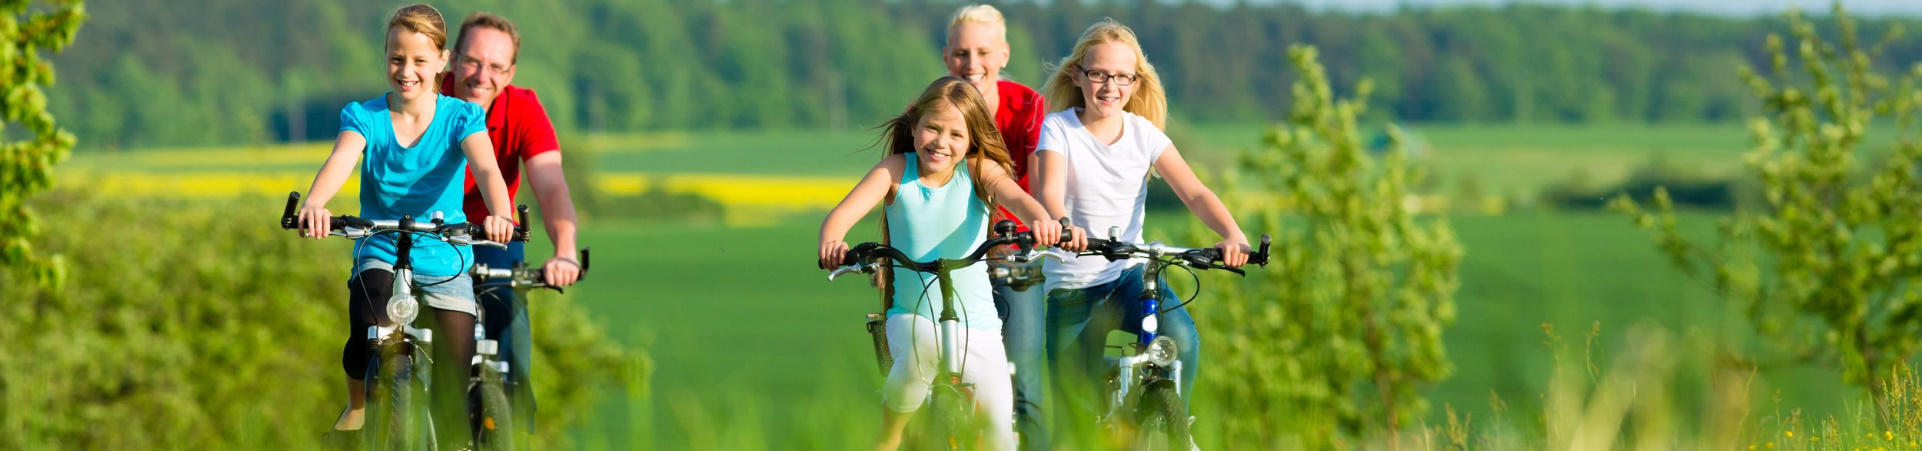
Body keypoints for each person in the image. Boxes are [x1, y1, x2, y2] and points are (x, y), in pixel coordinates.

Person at [293, 4, 516, 435]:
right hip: (381, 246)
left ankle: (455, 440)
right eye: (397, 58)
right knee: (367, 329)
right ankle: (357, 405)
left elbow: (488, 169)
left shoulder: (461, 117)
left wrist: (500, 214)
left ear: (443, 62)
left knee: (456, 366)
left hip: (446, 254)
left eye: (419, 60)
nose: (407, 71)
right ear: (385, 57)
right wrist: (316, 203)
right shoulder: (366, 117)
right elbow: (341, 160)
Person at [1033, 18, 1253, 440]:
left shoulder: (1144, 134)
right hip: (1073, 283)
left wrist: (1233, 234)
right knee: (1074, 419)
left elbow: (1194, 192)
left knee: (1181, 339)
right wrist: (1064, 225)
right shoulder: (1059, 128)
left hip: (1129, 274)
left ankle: (1173, 429)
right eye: (1099, 74)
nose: (1110, 86)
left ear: (1135, 82)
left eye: (1122, 77)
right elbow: (1050, 191)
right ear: (1077, 75)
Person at [816, 77, 1063, 451]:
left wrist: (1041, 220)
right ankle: (891, 433)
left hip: (978, 323)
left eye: (956, 134)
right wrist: (833, 242)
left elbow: (1017, 198)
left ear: (972, 140)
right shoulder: (894, 171)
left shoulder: (979, 170)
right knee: (922, 352)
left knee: (1000, 434)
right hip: (912, 316)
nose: (941, 142)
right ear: (915, 125)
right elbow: (839, 217)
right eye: (932, 128)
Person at [441, 11, 582, 433]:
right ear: (452, 60)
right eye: (472, 61)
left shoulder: (522, 108)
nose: (481, 76)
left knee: (509, 313)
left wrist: (565, 251)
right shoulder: (426, 97)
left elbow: (552, 187)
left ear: (510, 73)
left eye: (496, 67)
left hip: (493, 231)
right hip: (429, 231)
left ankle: (514, 422)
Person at [937, 4, 1052, 449]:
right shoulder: (929, 111)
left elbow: (1037, 188)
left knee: (1023, 384)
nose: (972, 64)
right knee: (934, 377)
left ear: (1003, 54)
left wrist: (1043, 224)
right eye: (962, 53)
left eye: (983, 52)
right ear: (946, 57)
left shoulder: (1028, 106)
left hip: (1014, 252)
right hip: (953, 254)